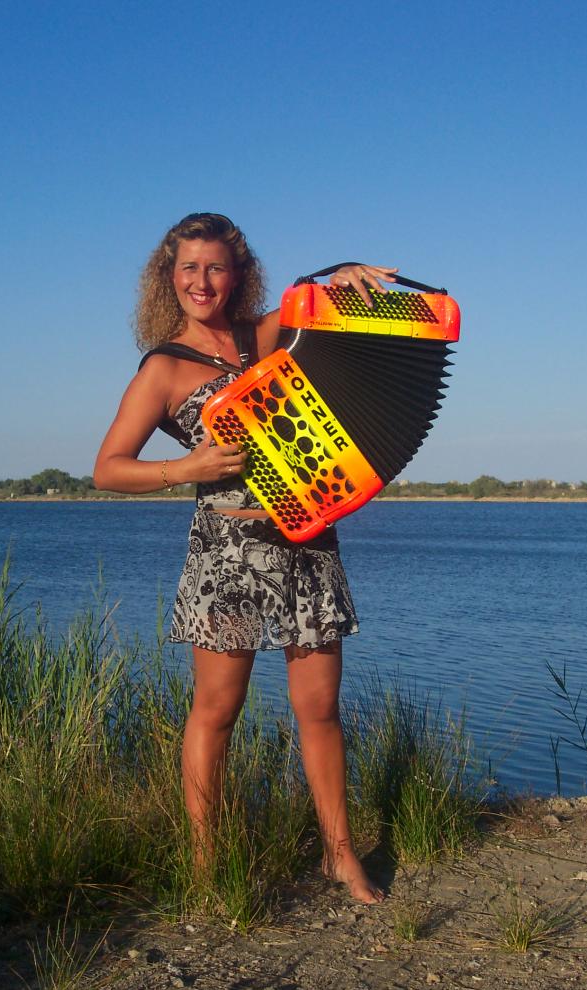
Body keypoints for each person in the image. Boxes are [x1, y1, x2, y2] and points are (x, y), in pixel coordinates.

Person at [94, 213, 398, 903]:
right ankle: (206, 865)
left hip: (305, 540)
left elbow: (314, 303)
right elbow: (108, 468)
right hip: (226, 552)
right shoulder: (164, 367)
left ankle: (340, 857)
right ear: (168, 278)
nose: (203, 282)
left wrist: (341, 268)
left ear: (238, 273)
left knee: (320, 709)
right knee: (217, 709)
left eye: (216, 268)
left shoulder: (260, 336)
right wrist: (187, 467)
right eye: (189, 269)